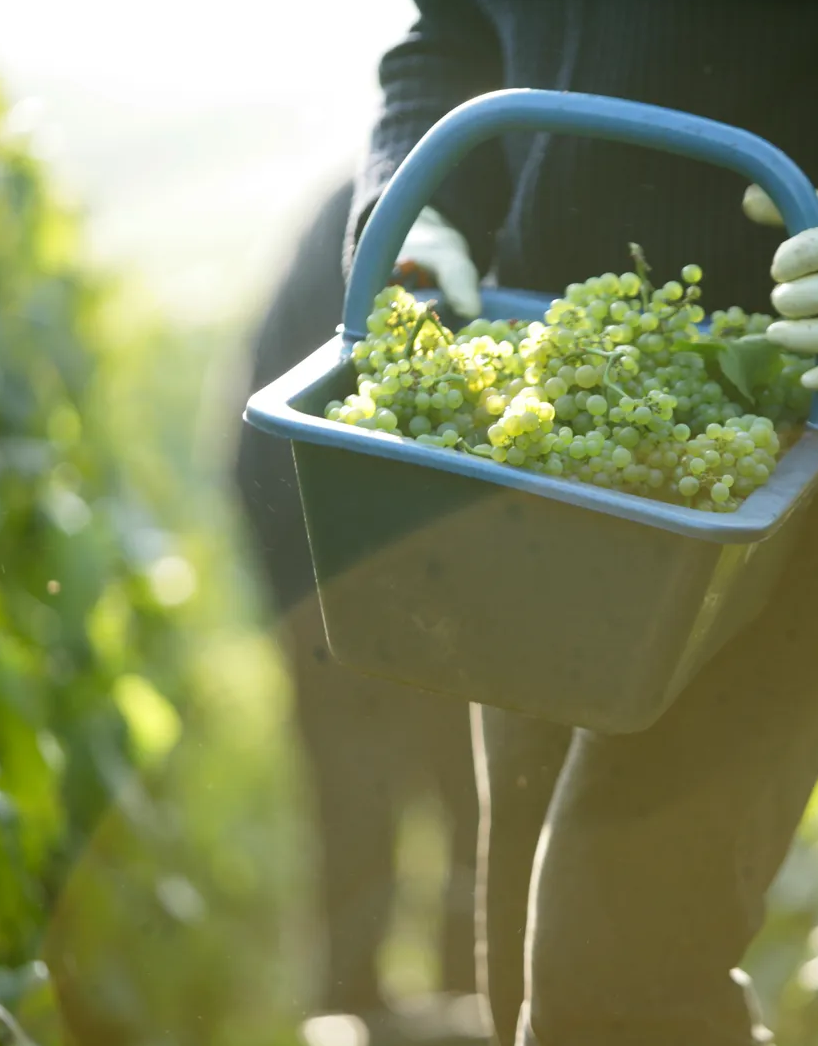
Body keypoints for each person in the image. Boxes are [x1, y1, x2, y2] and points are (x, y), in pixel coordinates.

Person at [348, 0, 818, 1045]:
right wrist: (416, 215)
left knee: (617, 965)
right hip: (545, 421)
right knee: (524, 956)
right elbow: (448, 30)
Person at [232, 178, 489, 1046]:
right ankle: (358, 1009)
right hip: (313, 535)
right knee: (362, 785)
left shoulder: (420, 177)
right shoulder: (421, 198)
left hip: (422, 546)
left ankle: (470, 996)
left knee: (464, 780)